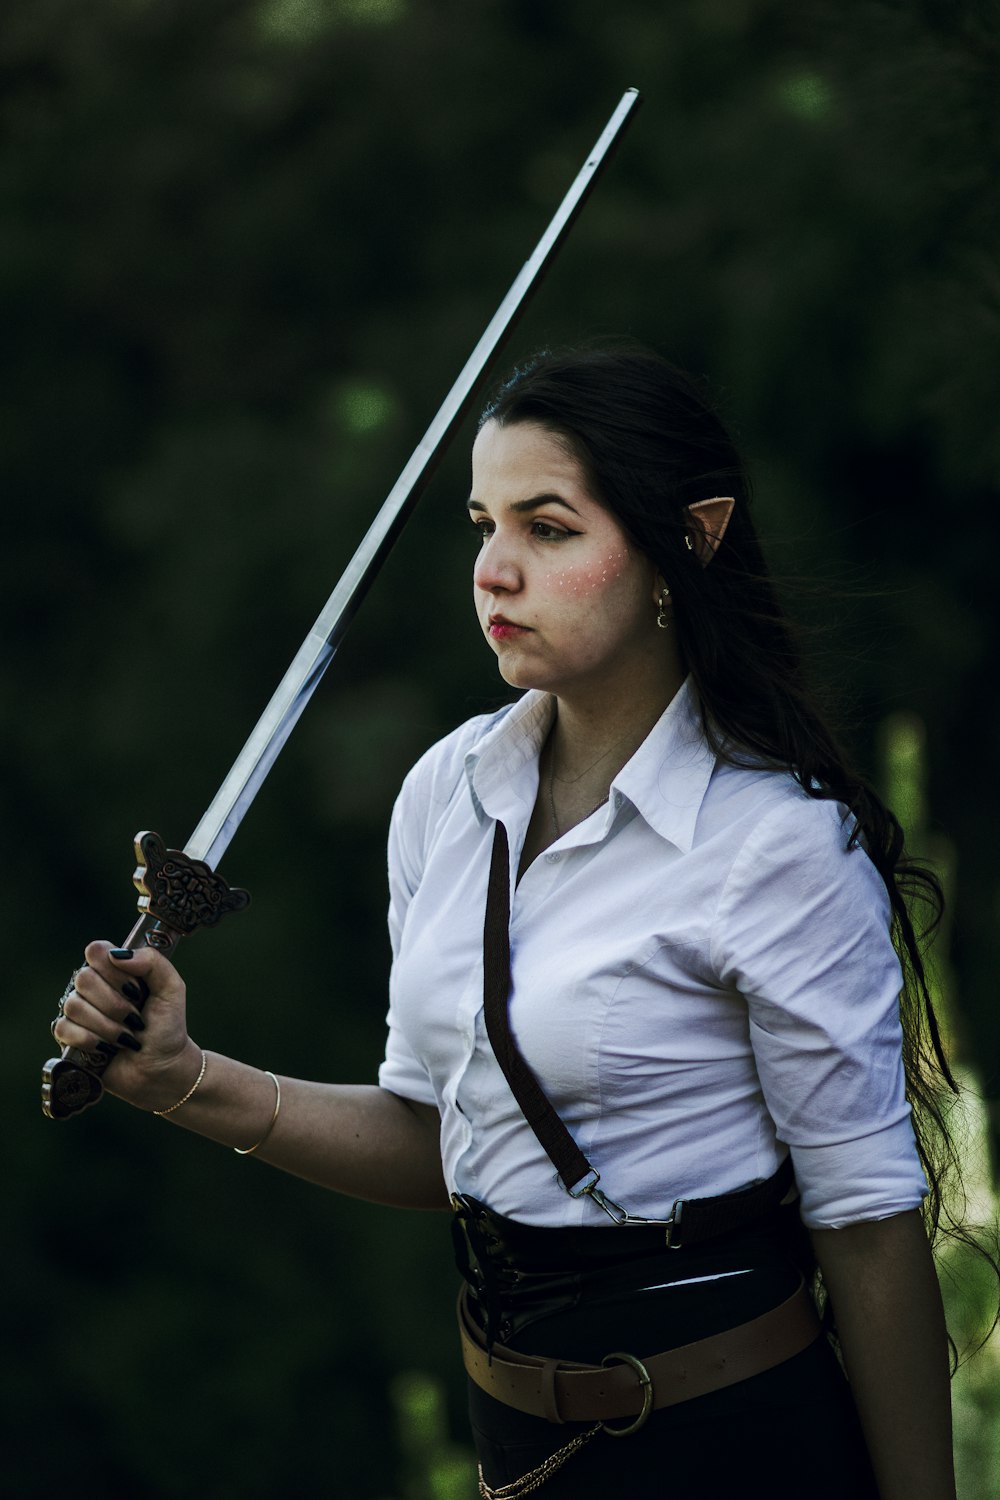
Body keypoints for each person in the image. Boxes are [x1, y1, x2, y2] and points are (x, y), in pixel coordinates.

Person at [54, 345, 962, 1499]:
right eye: (481, 525)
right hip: (515, 1453)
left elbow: (870, 1231)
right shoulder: (448, 789)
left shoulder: (771, 847)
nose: (493, 572)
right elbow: (452, 1141)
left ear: (689, 539)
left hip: (728, 1446)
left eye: (547, 527)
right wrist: (186, 1078)